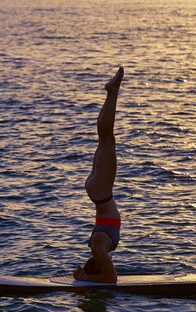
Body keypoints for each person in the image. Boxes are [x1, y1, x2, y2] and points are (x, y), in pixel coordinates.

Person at [73, 67, 124, 283]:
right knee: (105, 138)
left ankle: (112, 92)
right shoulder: (98, 246)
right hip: (99, 192)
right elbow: (109, 278)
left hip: (102, 193)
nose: (106, 261)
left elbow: (111, 280)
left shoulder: (98, 247)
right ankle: (111, 93)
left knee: (107, 137)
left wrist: (86, 278)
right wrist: (86, 276)